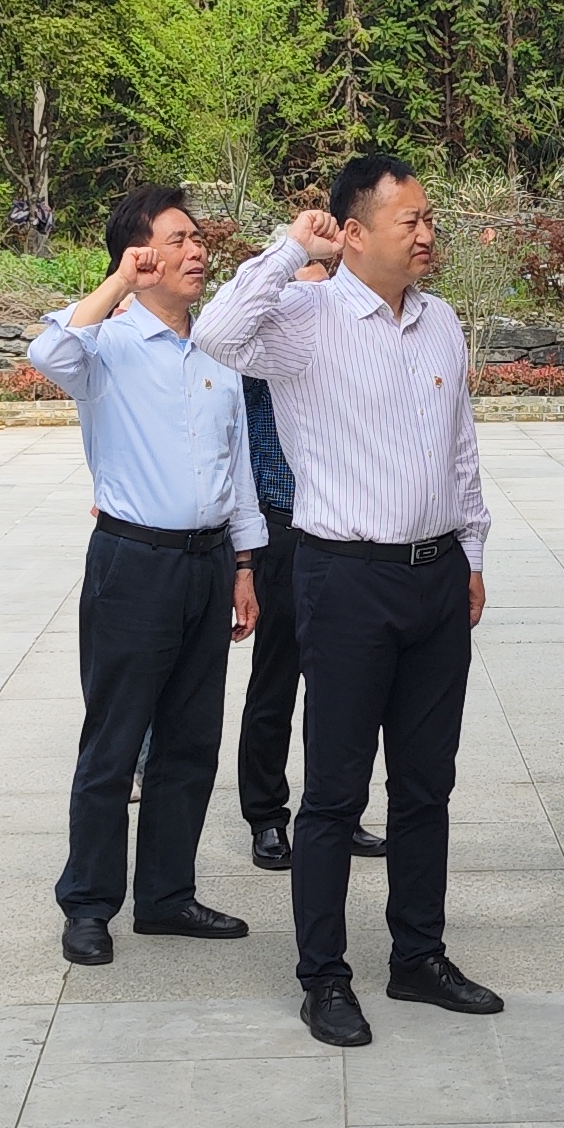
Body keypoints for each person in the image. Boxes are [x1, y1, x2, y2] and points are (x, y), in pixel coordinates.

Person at [198, 155, 501, 1047]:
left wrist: (472, 551)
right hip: (344, 578)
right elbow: (216, 333)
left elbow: (460, 449)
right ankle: (324, 976)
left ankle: (418, 956)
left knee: (427, 784)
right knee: (334, 791)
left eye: (430, 218)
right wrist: (292, 247)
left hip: (436, 575)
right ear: (355, 232)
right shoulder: (307, 318)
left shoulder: (441, 322)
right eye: (410, 220)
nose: (427, 233)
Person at [32, 188, 264, 964]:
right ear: (139, 254)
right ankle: (89, 903)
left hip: (208, 562)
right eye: (178, 239)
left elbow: (237, 466)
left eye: (198, 237)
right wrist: (118, 285)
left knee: (191, 741)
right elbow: (47, 354)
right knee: (114, 740)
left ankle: (167, 896)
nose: (197, 251)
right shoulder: (107, 343)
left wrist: (243, 564)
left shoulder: (217, 347)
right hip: (133, 564)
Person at [235, 244, 387, 874]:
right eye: (295, 291)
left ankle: (338, 810)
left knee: (346, 687)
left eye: (318, 292)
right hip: (280, 531)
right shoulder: (255, 358)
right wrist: (243, 561)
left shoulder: (343, 347)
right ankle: (266, 817)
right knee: (275, 683)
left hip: (345, 540)